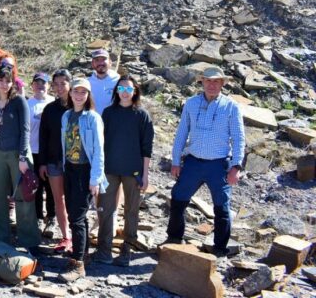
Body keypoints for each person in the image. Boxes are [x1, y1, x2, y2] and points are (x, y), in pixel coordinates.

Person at [166, 67, 245, 258]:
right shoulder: (191, 104)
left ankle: (219, 250)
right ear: (201, 82)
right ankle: (174, 239)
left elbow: (238, 138)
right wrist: (176, 161)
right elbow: (181, 134)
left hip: (219, 165)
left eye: (216, 81)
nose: (211, 85)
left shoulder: (231, 106)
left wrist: (236, 166)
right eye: (208, 81)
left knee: (222, 207)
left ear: (222, 84)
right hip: (193, 162)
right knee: (178, 199)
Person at [95, 75, 154, 266]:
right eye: (121, 89)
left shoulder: (142, 115)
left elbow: (147, 148)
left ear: (135, 91)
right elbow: (101, 143)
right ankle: (103, 251)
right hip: (110, 169)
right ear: (116, 92)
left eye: (129, 89)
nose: (125, 93)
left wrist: (145, 175)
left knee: (131, 211)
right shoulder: (108, 113)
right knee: (105, 209)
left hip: (133, 172)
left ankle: (126, 252)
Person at [0, 65, 41, 256]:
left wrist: (24, 157)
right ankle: (0, 238)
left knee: (23, 196)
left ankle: (29, 240)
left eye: (8, 80)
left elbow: (25, 131)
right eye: (0, 80)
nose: (4, 84)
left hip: (19, 153)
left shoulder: (19, 101)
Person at [59, 77, 107, 283]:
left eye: (83, 92)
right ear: (70, 94)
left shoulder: (93, 118)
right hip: (69, 168)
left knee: (76, 218)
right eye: (76, 91)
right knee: (76, 214)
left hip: (85, 170)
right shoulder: (67, 115)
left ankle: (78, 264)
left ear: (88, 96)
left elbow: (98, 151)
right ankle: (83, 253)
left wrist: (95, 178)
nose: (79, 95)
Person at [38, 69, 72, 251]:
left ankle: (76, 235)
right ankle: (66, 236)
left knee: (74, 200)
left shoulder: (80, 106)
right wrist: (42, 162)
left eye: (63, 83)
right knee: (59, 200)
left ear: (70, 84)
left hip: (76, 163)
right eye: (56, 84)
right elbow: (43, 138)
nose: (59, 88)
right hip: (53, 160)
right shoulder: (50, 109)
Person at [27, 73, 53, 232]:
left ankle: (51, 218)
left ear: (49, 86)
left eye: (44, 83)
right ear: (32, 85)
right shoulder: (27, 104)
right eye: (37, 83)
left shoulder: (53, 103)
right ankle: (37, 217)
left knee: (51, 187)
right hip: (32, 151)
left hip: (50, 152)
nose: (40, 86)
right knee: (35, 187)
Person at [89, 48, 119, 114]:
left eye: (103, 59)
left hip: (113, 122)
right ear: (92, 63)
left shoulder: (118, 81)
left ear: (110, 62)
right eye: (97, 60)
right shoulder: (88, 83)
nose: (100, 63)